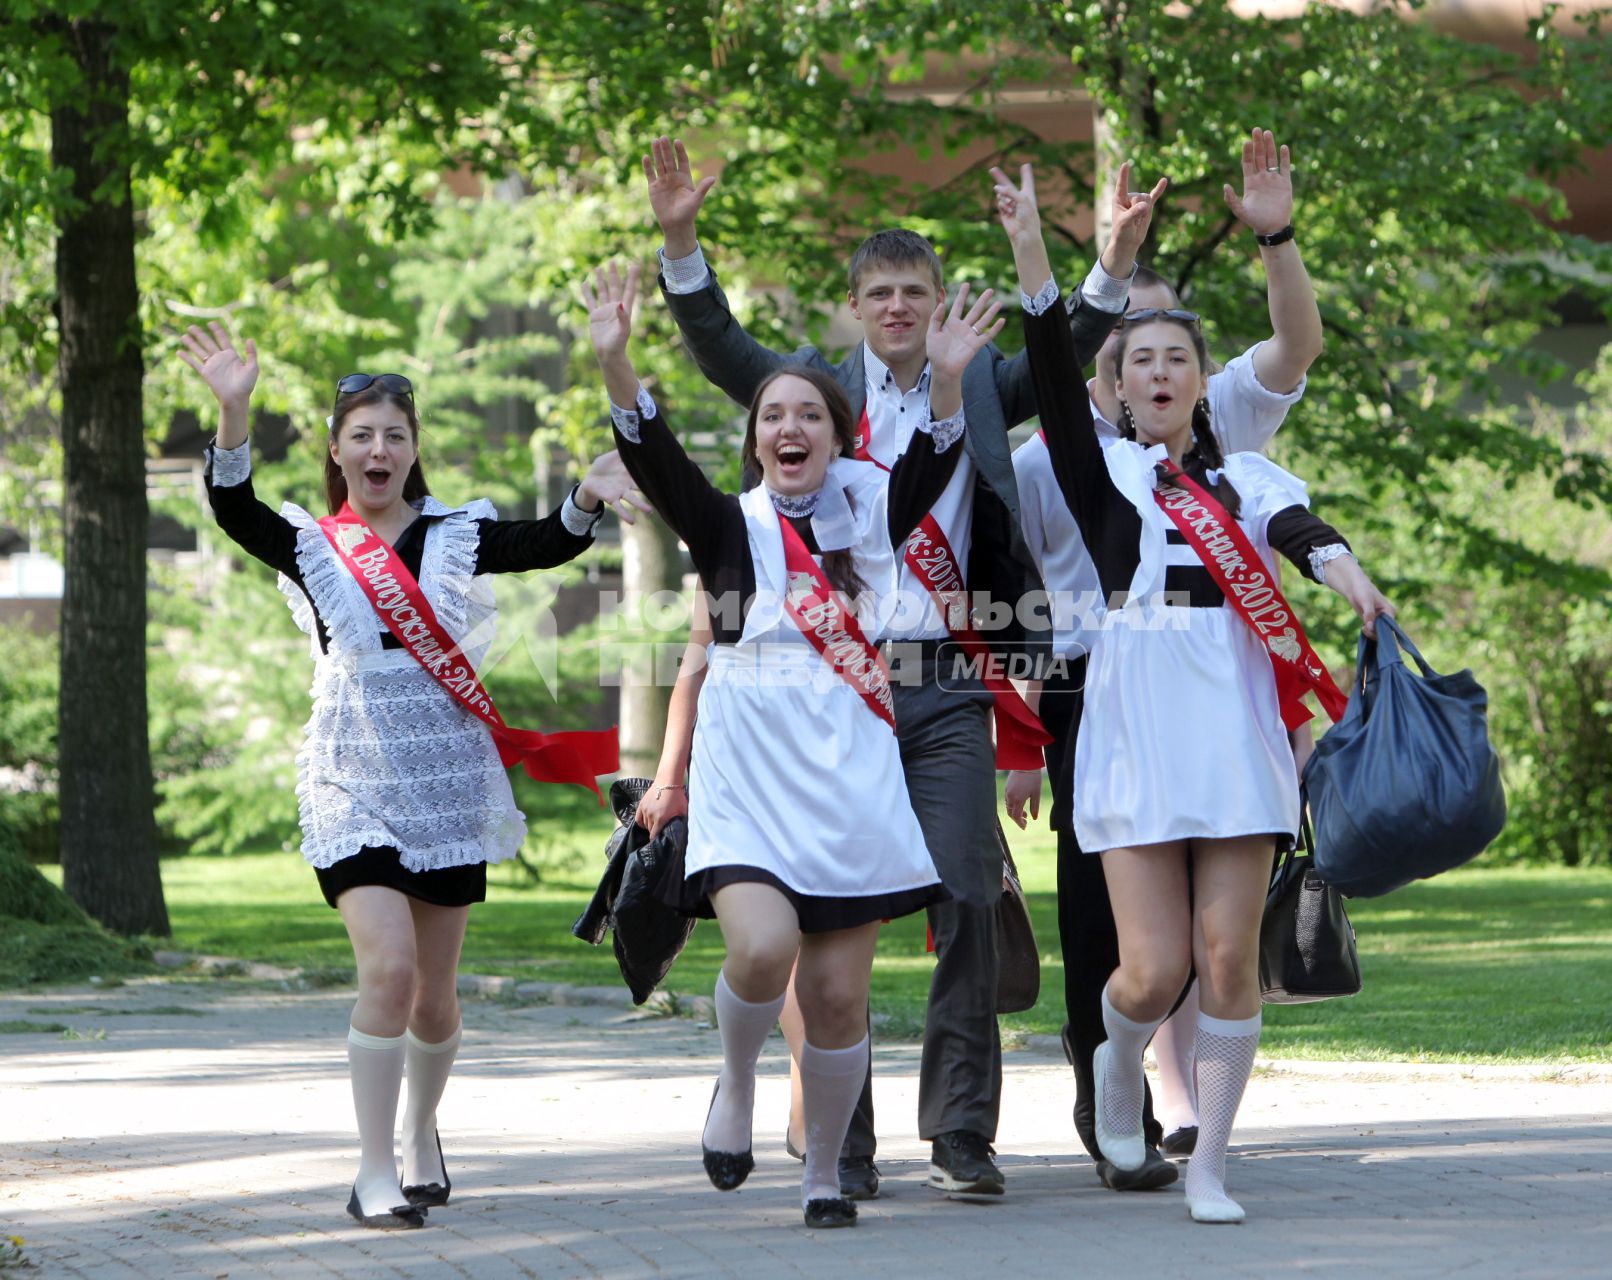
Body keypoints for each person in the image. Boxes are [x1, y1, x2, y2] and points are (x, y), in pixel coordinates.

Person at [640, 134, 1151, 1202]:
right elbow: (716, 340)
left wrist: (1090, 254)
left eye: (915, 289)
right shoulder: (813, 399)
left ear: (934, 300)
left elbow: (1070, 351)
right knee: (834, 907)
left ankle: (962, 1129)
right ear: (856, 304)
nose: (898, 307)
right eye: (879, 291)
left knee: (967, 893)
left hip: (944, 683)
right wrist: (679, 238)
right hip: (831, 696)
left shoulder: (980, 382)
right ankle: (845, 1143)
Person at [994, 166, 1394, 1223]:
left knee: (1225, 959)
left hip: (1231, 733)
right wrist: (1046, 250)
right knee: (1149, 967)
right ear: (1116, 387)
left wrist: (1346, 571)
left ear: (1201, 381)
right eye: (1140, 361)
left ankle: (1209, 1161)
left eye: (1178, 358)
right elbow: (1045, 357)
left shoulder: (1246, 475)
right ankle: (1116, 1063)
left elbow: (1298, 535)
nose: (1159, 372)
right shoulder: (1098, 474)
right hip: (1130, 731)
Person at [181, 323, 642, 1230]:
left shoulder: (456, 534)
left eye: (394, 434)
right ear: (336, 449)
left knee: (435, 996)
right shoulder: (313, 544)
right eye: (362, 435)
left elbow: (546, 542)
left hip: (445, 777)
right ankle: (372, 1168)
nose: (379, 449)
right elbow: (234, 511)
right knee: (386, 971)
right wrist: (231, 410)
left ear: (414, 448)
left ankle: (423, 1131)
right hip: (350, 775)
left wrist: (585, 495)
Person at [584, 257, 1002, 1227]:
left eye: (808, 414)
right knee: (765, 949)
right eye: (771, 415)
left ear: (837, 436)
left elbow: (937, 464)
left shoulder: (875, 511)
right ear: (756, 438)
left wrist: (945, 382)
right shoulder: (729, 525)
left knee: (839, 996)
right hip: (750, 778)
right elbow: (655, 455)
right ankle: (735, 1076)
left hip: (850, 779)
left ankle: (825, 1171)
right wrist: (617, 362)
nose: (788, 427)